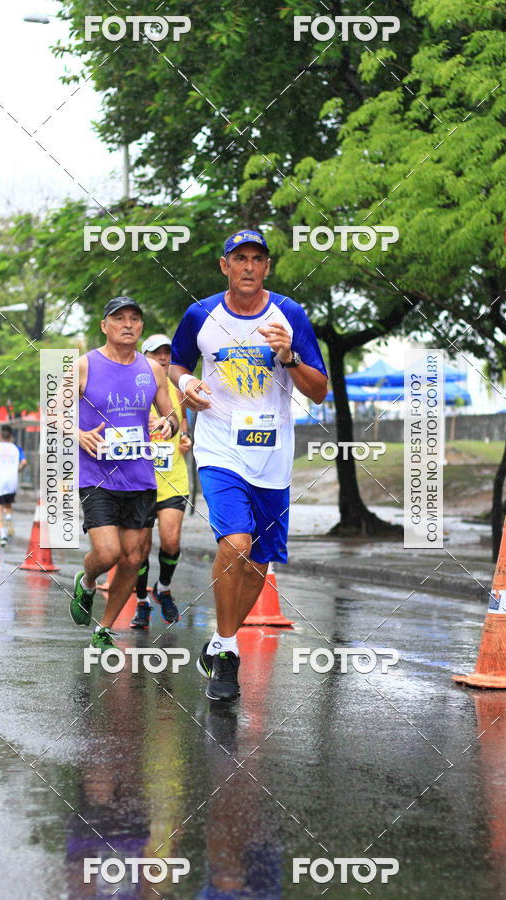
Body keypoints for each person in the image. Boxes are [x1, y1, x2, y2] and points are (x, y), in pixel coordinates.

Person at [170, 229, 328, 701]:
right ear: (224, 266)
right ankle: (229, 654)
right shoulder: (201, 314)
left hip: (273, 455)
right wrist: (186, 387)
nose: (248, 266)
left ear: (267, 267)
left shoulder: (290, 315)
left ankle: (220, 641)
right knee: (236, 543)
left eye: (258, 259)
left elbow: (318, 390)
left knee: (258, 562)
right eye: (239, 258)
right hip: (219, 448)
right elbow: (177, 364)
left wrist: (290, 356)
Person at [72, 296, 178, 652]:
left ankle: (104, 628)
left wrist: (168, 424)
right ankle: (87, 582)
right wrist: (77, 433)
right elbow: (54, 412)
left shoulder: (153, 369)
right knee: (107, 553)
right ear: (105, 325)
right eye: (119, 318)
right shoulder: (84, 365)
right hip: (97, 476)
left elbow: (172, 416)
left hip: (140, 477)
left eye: (135, 318)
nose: (128, 324)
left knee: (133, 558)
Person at [130, 334, 192, 629]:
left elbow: (185, 426)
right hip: (140, 480)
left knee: (171, 540)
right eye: (156, 354)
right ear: (144, 358)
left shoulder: (179, 391)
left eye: (167, 354)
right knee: (139, 549)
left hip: (173, 479)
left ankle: (163, 588)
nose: (163, 359)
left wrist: (186, 440)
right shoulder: (133, 388)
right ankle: (141, 601)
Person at [0, 425, 27, 546]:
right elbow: (24, 462)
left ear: (0, 435)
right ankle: (9, 519)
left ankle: (2, 535)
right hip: (12, 481)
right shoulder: (17, 448)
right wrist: (18, 470)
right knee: (8, 504)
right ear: (11, 435)